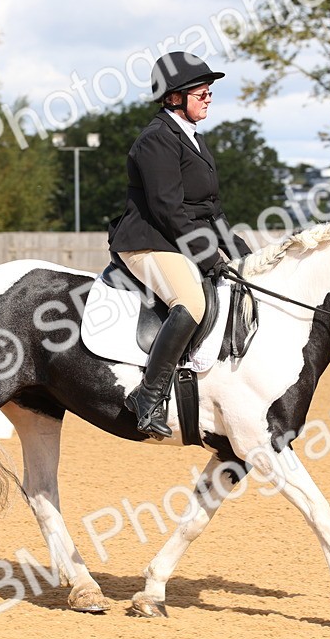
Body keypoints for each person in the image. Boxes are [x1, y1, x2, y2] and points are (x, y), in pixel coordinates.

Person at [107, 51, 252, 438]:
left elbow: (212, 210)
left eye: (209, 90)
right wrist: (207, 256)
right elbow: (167, 209)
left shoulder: (195, 141)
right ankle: (147, 397)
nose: (208, 96)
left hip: (174, 239)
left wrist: (242, 254)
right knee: (192, 300)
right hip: (145, 241)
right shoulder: (156, 140)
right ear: (173, 97)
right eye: (199, 90)